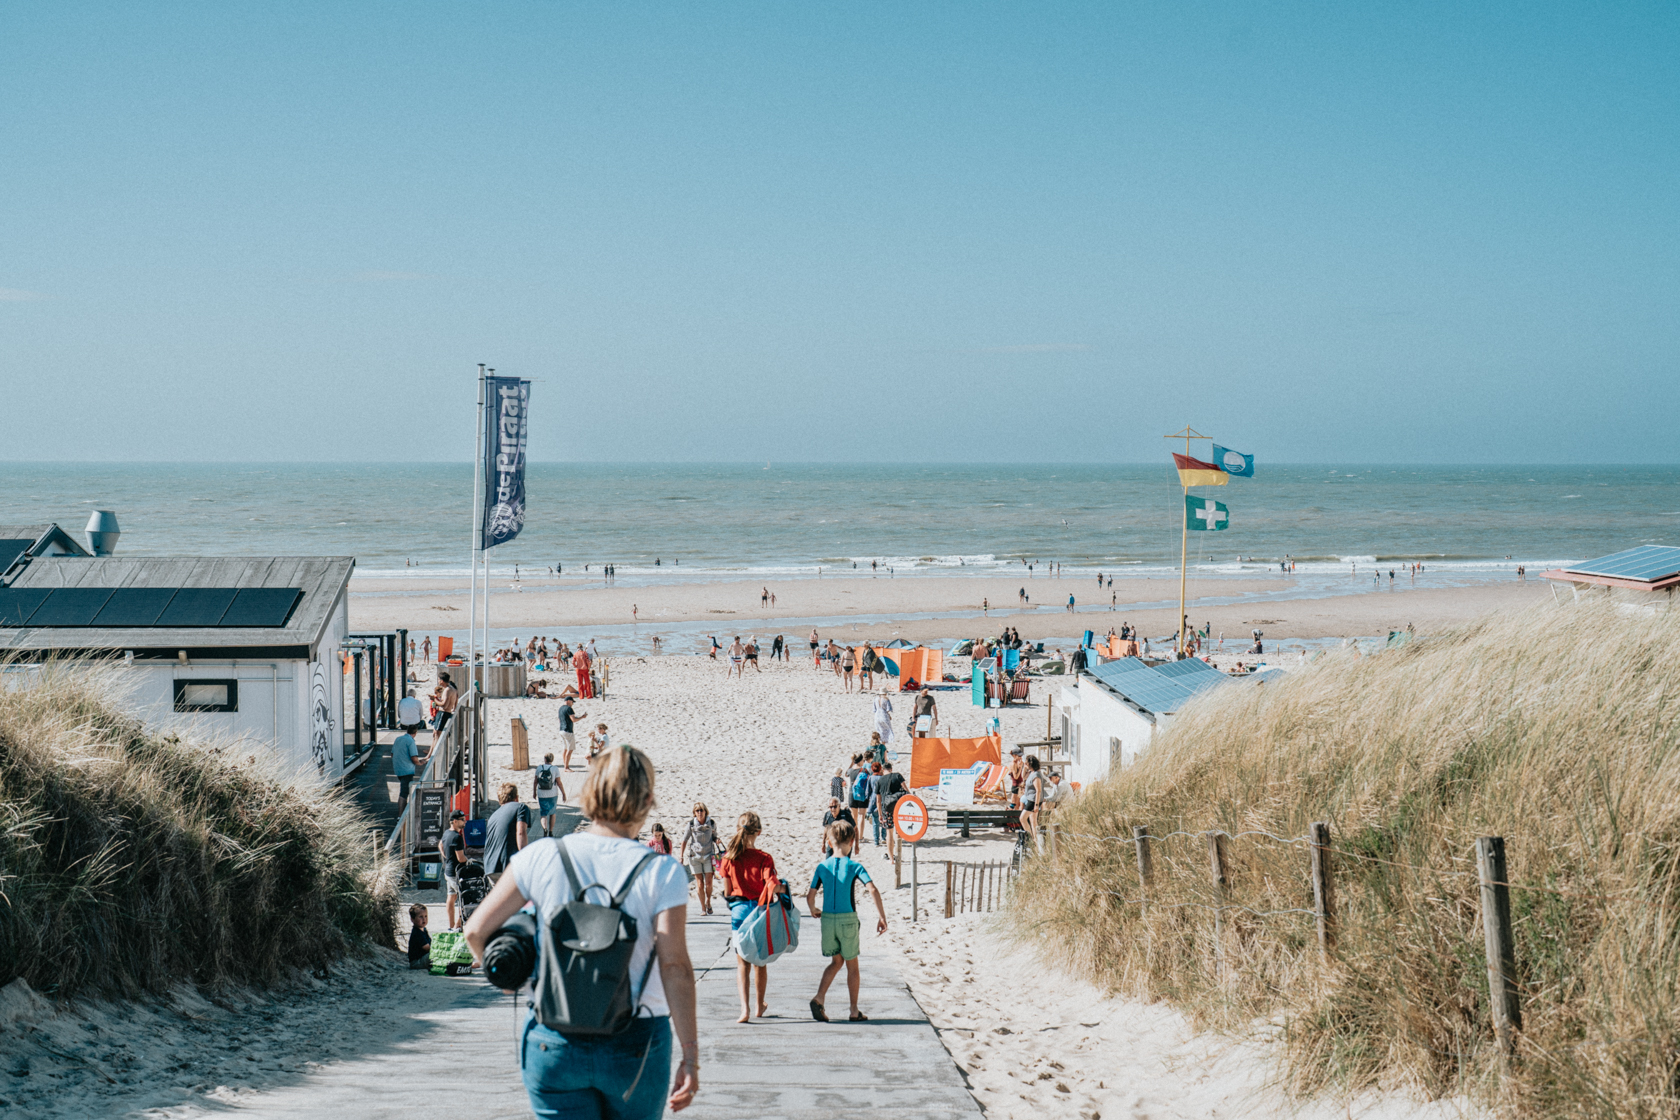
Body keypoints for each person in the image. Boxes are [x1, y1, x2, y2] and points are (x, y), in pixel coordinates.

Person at [465, 744, 699, 1118]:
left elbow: (476, 931)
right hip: (634, 1040)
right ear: (648, 799)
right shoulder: (661, 871)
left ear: (589, 792)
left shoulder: (542, 856)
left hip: (552, 1038)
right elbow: (675, 968)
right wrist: (690, 1054)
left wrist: (511, 981)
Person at [806, 820, 887, 1023]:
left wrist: (813, 909)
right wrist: (882, 917)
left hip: (827, 921)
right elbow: (872, 889)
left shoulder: (822, 867)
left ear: (829, 843)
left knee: (836, 961)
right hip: (847, 920)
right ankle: (853, 1009)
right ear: (852, 841)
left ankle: (819, 997)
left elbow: (810, 896)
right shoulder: (854, 866)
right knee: (852, 966)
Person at [718, 811, 784, 1023]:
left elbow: (728, 893)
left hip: (739, 913)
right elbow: (772, 885)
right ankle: (759, 1006)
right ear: (759, 832)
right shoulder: (765, 858)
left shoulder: (728, 859)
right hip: (759, 913)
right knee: (760, 963)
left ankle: (744, 1010)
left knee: (742, 964)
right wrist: (783, 889)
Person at [482, 783, 532, 885]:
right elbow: (521, 832)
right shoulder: (520, 807)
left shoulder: (493, 816)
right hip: (508, 864)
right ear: (516, 798)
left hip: (490, 867)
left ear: (500, 800)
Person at [680, 803, 720, 916]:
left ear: (705, 811)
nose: (699, 812)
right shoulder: (691, 824)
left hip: (708, 855)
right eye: (697, 810)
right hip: (695, 856)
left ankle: (708, 901)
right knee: (699, 884)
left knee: (709, 883)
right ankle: (703, 908)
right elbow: (684, 840)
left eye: (701, 810)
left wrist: (716, 840)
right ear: (694, 813)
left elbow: (714, 836)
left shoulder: (711, 823)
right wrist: (681, 856)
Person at [390, 727, 430, 817]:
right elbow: (414, 757)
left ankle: (401, 814)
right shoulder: (411, 741)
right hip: (407, 770)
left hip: (398, 769)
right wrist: (420, 763)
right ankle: (400, 816)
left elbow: (392, 754)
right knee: (404, 793)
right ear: (415, 733)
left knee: (403, 790)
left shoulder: (398, 739)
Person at [439, 810, 467, 929]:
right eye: (462, 820)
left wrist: (445, 855)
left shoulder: (446, 833)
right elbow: (460, 858)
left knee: (451, 896)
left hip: (448, 871)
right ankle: (457, 925)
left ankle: (451, 926)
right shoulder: (457, 837)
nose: (464, 822)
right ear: (454, 821)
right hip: (456, 873)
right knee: (465, 899)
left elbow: (440, 844)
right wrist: (469, 861)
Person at [876, 761, 908, 859]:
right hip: (899, 807)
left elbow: (878, 800)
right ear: (891, 769)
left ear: (882, 770)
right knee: (898, 831)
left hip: (887, 808)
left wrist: (880, 814)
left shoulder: (880, 781)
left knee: (889, 833)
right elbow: (906, 791)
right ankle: (898, 855)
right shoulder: (897, 776)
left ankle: (891, 858)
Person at [532, 752, 564, 838]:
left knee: (543, 814)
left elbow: (535, 781)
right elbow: (559, 783)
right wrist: (563, 793)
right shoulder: (555, 769)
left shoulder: (539, 768)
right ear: (552, 760)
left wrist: (534, 792)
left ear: (545, 759)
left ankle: (544, 829)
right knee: (552, 813)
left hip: (541, 793)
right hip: (553, 793)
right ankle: (551, 831)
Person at [1019, 755, 1045, 842]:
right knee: (1033, 822)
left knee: (1022, 818)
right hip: (1030, 799)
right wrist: (1024, 767)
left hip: (1033, 800)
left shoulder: (1036, 775)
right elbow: (1023, 776)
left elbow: (1038, 791)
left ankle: (1030, 838)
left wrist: (1036, 805)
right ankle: (1036, 841)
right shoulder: (1032, 772)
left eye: (1027, 763)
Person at [557, 696, 585, 770]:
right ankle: (566, 767)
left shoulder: (560, 708)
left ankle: (565, 765)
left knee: (565, 749)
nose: (572, 704)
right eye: (572, 702)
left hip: (561, 730)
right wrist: (582, 717)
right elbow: (573, 719)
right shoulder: (569, 708)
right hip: (568, 730)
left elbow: (560, 720)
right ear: (569, 701)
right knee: (570, 749)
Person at [406, 903, 432, 970]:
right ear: (412, 919)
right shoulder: (417, 933)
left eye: (425, 916)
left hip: (422, 958)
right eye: (421, 917)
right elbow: (427, 948)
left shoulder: (424, 930)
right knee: (434, 955)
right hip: (417, 962)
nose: (424, 919)